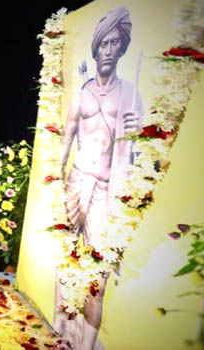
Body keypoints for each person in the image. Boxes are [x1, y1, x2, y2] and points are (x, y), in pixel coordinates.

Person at [53, 7, 144, 350]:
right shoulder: (83, 93)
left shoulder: (130, 95)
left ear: (122, 48)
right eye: (103, 43)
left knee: (98, 274)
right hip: (76, 183)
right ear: (96, 49)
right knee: (66, 261)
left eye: (114, 43)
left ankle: (86, 345)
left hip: (105, 191)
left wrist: (136, 136)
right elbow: (66, 139)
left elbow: (140, 156)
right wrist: (55, 180)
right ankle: (60, 332)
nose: (108, 49)